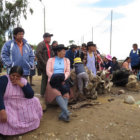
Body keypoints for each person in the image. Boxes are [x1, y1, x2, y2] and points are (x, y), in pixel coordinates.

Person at [0, 66, 42, 138]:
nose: (15, 78)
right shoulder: (4, 79)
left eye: (18, 76)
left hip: (21, 101)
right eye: (13, 75)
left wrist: (20, 84)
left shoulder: (23, 81)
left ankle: (28, 125)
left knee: (35, 100)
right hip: (8, 103)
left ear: (21, 76)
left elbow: (30, 95)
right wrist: (2, 110)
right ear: (9, 74)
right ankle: (5, 131)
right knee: (8, 117)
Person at [45, 44, 71, 122]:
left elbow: (68, 71)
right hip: (52, 81)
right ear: (58, 51)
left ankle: (63, 114)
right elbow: (48, 71)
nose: (65, 52)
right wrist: (54, 78)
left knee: (66, 94)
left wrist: (64, 78)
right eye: (63, 50)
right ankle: (66, 112)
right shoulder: (50, 60)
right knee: (58, 94)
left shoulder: (67, 60)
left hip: (63, 80)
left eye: (65, 50)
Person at [36, 32, 53, 97]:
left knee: (48, 79)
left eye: (50, 37)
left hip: (49, 64)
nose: (50, 38)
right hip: (44, 65)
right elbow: (38, 54)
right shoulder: (41, 44)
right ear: (45, 38)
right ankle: (42, 94)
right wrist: (44, 63)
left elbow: (52, 54)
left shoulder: (49, 45)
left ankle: (47, 93)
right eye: (48, 37)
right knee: (45, 79)